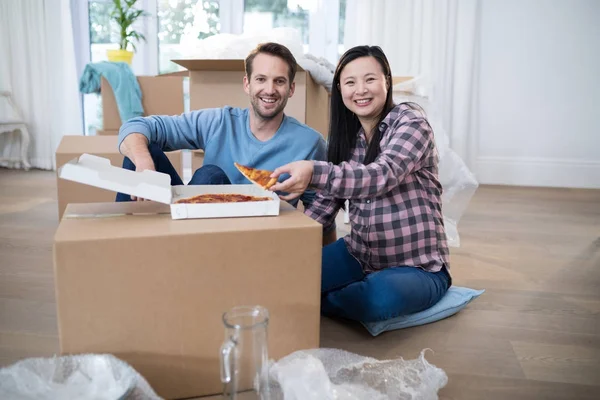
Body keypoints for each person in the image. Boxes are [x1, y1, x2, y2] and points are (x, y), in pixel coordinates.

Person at [269, 45, 451, 323]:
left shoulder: (411, 123)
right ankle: (316, 295)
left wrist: (315, 173)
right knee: (282, 276)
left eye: (370, 79)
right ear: (340, 90)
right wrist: (289, 226)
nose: (361, 90)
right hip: (359, 256)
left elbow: (382, 175)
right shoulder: (348, 140)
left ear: (386, 82)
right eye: (350, 82)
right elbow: (324, 208)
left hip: (419, 268)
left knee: (378, 297)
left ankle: (315, 299)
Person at [116, 42, 327, 212]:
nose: (269, 90)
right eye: (261, 79)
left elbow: (319, 213)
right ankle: (123, 244)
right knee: (142, 151)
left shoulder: (310, 143)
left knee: (209, 176)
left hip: (260, 237)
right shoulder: (219, 122)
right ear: (247, 84)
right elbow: (136, 126)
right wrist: (144, 162)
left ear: (291, 89)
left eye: (279, 81)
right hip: (198, 225)